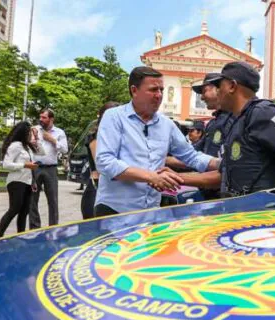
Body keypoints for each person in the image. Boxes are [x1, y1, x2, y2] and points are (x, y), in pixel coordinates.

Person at [179, 61, 275, 196]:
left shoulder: (262, 112)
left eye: (219, 86)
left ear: (232, 86)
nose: (217, 92)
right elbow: (224, 175)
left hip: (263, 213)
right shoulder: (237, 120)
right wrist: (178, 178)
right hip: (240, 210)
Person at [94, 66, 219, 217]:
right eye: (153, 90)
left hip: (150, 210)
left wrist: (222, 163)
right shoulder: (114, 117)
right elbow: (105, 162)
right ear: (134, 90)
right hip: (115, 210)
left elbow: (191, 156)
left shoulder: (166, 124)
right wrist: (150, 176)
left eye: (162, 90)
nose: (159, 95)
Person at [0, 122, 44, 239]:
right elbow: (6, 165)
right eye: (29, 132)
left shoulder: (27, 146)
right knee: (14, 209)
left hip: (27, 182)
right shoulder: (15, 145)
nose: (30, 135)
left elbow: (42, 152)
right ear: (23, 133)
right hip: (16, 182)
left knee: (24, 212)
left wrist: (37, 138)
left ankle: (20, 236)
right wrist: (24, 165)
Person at [29, 109, 69, 229]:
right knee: (32, 200)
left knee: (53, 200)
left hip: (51, 169)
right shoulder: (34, 129)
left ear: (51, 119)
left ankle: (53, 227)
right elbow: (30, 146)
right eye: (40, 117)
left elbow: (65, 150)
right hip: (35, 168)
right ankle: (34, 227)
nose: (41, 119)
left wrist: (52, 140)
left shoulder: (59, 132)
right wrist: (33, 139)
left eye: (44, 117)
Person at [80, 101, 120, 219]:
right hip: (96, 190)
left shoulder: (114, 137)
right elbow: (101, 164)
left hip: (110, 191)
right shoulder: (96, 136)